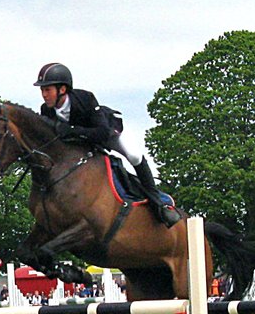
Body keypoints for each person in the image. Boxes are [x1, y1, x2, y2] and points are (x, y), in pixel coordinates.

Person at [34, 62, 181, 227]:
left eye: (47, 90)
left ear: (62, 89)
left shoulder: (85, 99)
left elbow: (101, 132)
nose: (44, 95)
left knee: (133, 155)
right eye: (42, 90)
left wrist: (73, 130)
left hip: (109, 133)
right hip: (85, 145)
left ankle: (158, 203)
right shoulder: (46, 110)